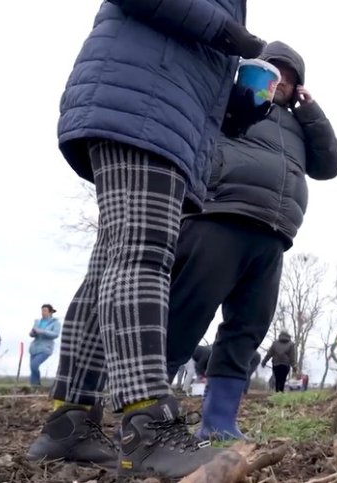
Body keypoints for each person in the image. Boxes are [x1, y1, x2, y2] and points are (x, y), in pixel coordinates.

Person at [26, 0, 270, 477]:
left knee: (112, 263)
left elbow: (191, 60)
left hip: (159, 111)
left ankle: (70, 420)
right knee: (143, 253)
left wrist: (239, 102)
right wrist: (228, 33)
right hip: (141, 105)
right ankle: (147, 426)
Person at [163, 40, 337, 440]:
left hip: (273, 233)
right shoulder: (229, 101)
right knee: (186, 316)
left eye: (291, 79)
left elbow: (329, 165)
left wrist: (311, 111)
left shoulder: (299, 125)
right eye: (275, 72)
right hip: (219, 216)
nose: (282, 82)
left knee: (247, 328)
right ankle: (148, 414)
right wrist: (241, 87)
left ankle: (219, 422)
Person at [28, 304, 61, 387]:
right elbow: (32, 334)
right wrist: (33, 332)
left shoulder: (56, 323)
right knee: (32, 368)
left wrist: (42, 331)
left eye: (45, 310)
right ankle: (33, 387)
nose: (43, 312)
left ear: (50, 312)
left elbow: (56, 334)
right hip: (34, 348)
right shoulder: (37, 321)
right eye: (42, 310)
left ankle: (36, 385)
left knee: (34, 365)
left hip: (46, 349)